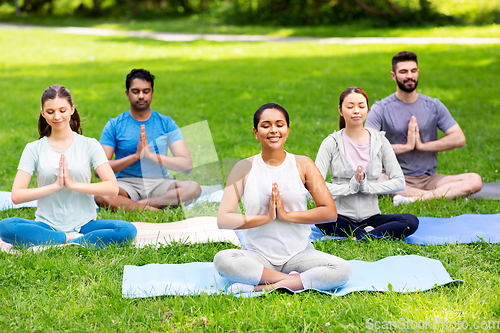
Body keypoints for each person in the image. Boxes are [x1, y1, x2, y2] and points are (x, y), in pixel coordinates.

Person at [214, 103, 352, 294]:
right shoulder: (243, 168)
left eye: (279, 124)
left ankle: (260, 287)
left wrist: (286, 215)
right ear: (255, 132)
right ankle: (294, 281)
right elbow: (224, 219)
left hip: (300, 255)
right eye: (265, 125)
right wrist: (266, 218)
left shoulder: (304, 164)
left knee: (342, 270)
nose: (273, 130)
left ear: (287, 129)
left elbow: (329, 212)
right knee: (222, 260)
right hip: (256, 255)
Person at [0, 85, 137, 249]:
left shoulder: (89, 144)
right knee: (6, 226)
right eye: (50, 112)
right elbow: (17, 195)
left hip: (85, 225)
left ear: (72, 109)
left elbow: (112, 187)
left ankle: (65, 240)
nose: (57, 116)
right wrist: (55, 186)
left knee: (127, 230)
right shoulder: (33, 148)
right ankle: (67, 238)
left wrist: (73, 185)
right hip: (46, 224)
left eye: (62, 110)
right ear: (43, 113)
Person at [365, 51, 482, 205]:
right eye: (403, 72)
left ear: (418, 72)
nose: (409, 76)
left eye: (413, 71)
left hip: (429, 179)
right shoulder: (381, 108)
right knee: (375, 179)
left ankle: (414, 199)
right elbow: (367, 146)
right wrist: (406, 147)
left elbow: (459, 138)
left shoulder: (433, 105)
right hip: (393, 177)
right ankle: (442, 195)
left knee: (475, 180)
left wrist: (422, 146)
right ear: (393, 76)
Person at [315, 87, 418, 240]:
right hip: (340, 216)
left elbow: (399, 182)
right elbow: (316, 185)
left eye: (361, 106)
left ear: (367, 110)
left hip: (372, 217)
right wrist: (350, 188)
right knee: (319, 216)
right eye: (350, 107)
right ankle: (368, 234)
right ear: (341, 110)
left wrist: (367, 187)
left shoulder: (381, 141)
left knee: (410, 221)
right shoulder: (331, 142)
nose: (356, 111)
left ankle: (361, 235)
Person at [94, 69, 201, 211]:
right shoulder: (115, 124)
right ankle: (153, 208)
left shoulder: (166, 123)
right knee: (101, 195)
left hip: (160, 183)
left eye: (146, 91)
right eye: (135, 91)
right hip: (126, 184)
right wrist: (135, 156)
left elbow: (187, 165)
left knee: (193, 188)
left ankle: (138, 206)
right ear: (127, 94)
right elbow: (99, 170)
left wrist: (152, 156)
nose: (141, 96)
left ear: (152, 92)